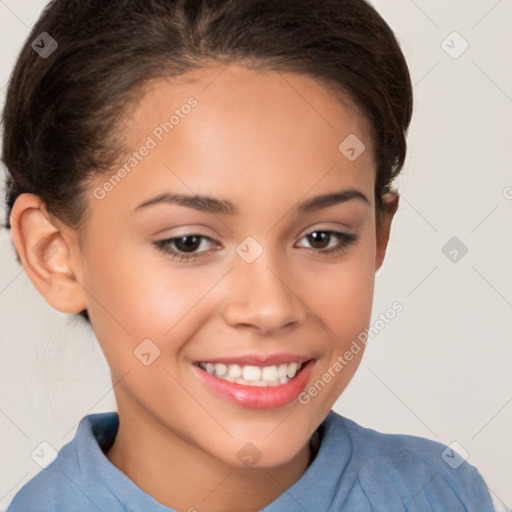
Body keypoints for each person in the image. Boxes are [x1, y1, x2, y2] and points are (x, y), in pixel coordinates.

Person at [2, 0, 495, 510]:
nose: (270, 308)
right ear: (54, 253)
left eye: (322, 237)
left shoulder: (442, 493)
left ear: (378, 235)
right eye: (188, 242)